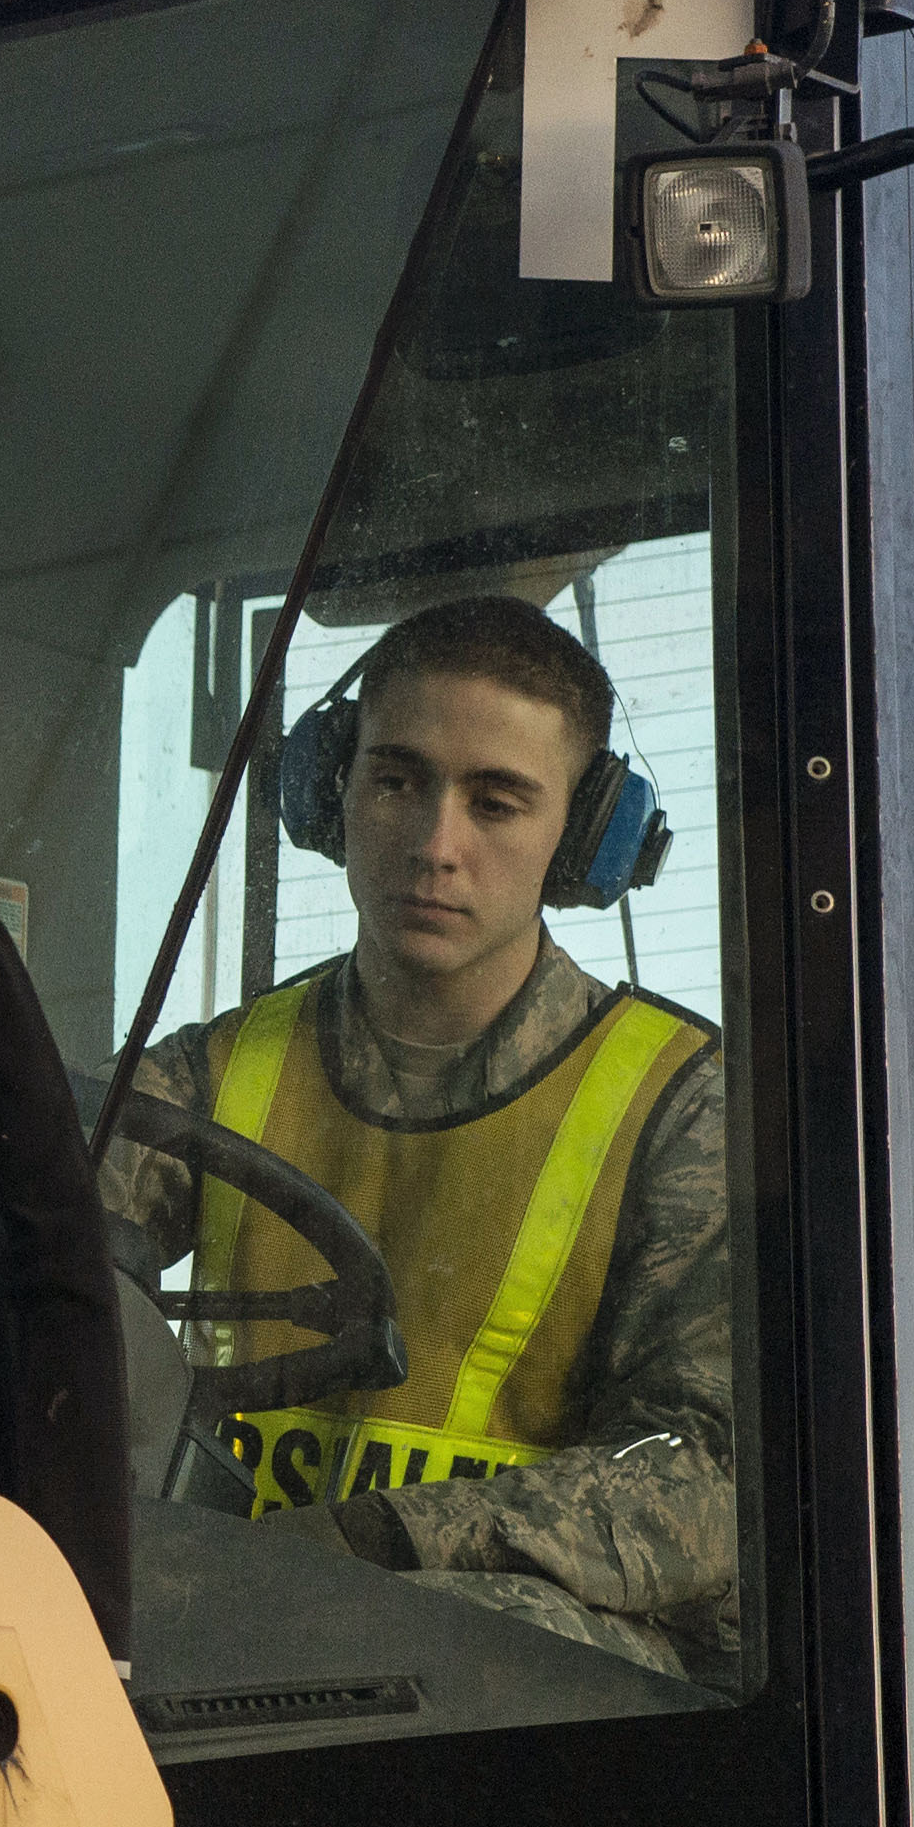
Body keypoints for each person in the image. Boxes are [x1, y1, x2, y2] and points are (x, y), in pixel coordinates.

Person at [104, 592, 734, 1680]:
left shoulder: (681, 1104)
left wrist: (381, 1536)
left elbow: (704, 1480)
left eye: (496, 805)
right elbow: (21, 1292)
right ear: (328, 791)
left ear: (584, 840)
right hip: (224, 1629)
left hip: (521, 1694)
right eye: (397, 782)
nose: (435, 845)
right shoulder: (205, 1077)